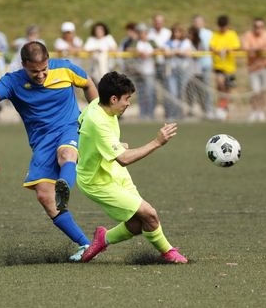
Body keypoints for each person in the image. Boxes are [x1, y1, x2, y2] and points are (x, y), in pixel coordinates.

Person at [0, 42, 97, 261]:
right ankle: (86, 245)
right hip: (41, 143)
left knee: (66, 154)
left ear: (49, 61)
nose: (41, 75)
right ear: (24, 65)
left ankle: (64, 188)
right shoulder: (13, 81)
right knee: (44, 195)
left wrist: (96, 117)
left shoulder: (65, 68)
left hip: (69, 127)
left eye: (44, 70)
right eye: (34, 71)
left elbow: (88, 84)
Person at [77, 71, 187, 264]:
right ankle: (169, 253)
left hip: (112, 169)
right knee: (150, 214)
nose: (128, 103)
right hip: (96, 181)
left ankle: (103, 238)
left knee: (137, 224)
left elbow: (82, 126)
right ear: (113, 99)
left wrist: (111, 145)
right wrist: (157, 142)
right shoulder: (98, 121)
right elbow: (124, 159)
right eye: (126, 99)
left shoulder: (98, 105)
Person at [241, 17, 266, 121]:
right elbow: (246, 49)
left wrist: (257, 51)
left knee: (264, 91)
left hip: (265, 67)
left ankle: (261, 111)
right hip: (253, 68)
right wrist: (257, 50)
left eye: (260, 26)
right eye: (256, 26)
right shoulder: (248, 35)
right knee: (255, 91)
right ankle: (254, 110)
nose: (258, 29)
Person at [209, 15, 241, 120]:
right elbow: (211, 46)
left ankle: (224, 110)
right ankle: (220, 108)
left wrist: (228, 50)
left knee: (228, 91)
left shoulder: (232, 34)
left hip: (230, 68)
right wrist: (216, 50)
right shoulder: (215, 35)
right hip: (219, 67)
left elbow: (236, 47)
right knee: (220, 86)